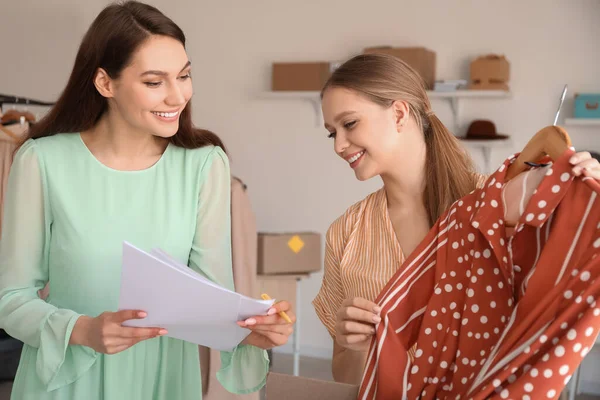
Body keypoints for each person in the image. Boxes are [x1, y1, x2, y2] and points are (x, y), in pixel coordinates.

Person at [0, 2, 295, 399]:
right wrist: (84, 329)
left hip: (165, 382)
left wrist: (253, 332)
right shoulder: (42, 161)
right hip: (67, 383)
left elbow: (211, 300)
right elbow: (11, 299)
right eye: (155, 82)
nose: (178, 96)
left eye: (185, 76)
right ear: (105, 83)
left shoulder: (203, 164)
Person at [312, 53, 600, 385]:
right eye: (332, 133)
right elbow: (343, 376)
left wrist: (584, 200)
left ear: (399, 113)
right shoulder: (345, 234)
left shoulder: (499, 206)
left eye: (349, 124)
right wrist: (356, 347)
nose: (339, 145)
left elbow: (561, 302)